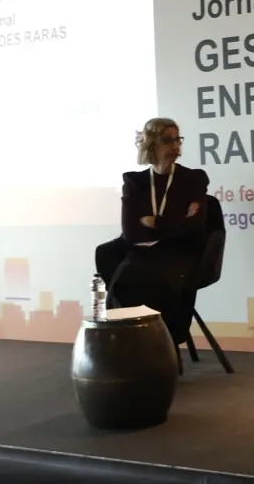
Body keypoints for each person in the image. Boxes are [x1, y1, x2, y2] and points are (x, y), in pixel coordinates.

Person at [94, 117, 210, 347]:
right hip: (141, 251)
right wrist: (174, 222)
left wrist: (154, 222)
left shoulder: (193, 179)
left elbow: (193, 227)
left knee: (132, 274)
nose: (175, 146)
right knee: (110, 257)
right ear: (151, 145)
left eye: (177, 140)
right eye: (168, 141)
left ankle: (154, 341)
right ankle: (131, 338)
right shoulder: (135, 182)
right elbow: (130, 232)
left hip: (178, 251)